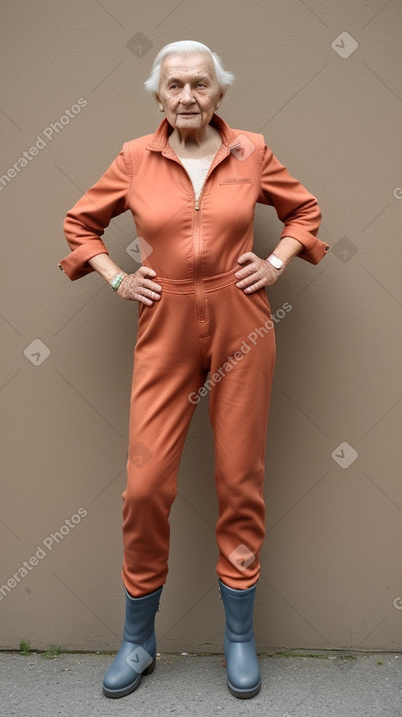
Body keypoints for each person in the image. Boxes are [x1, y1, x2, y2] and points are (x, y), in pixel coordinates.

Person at [59, 40, 329, 700]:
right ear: (158, 94)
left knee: (240, 479)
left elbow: (305, 212)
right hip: (166, 324)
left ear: (219, 93)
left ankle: (239, 638)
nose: (187, 96)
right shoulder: (134, 157)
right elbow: (80, 225)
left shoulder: (253, 150)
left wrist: (275, 263)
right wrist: (120, 278)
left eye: (199, 85)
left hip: (243, 322)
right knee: (146, 485)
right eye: (175, 84)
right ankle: (138, 639)